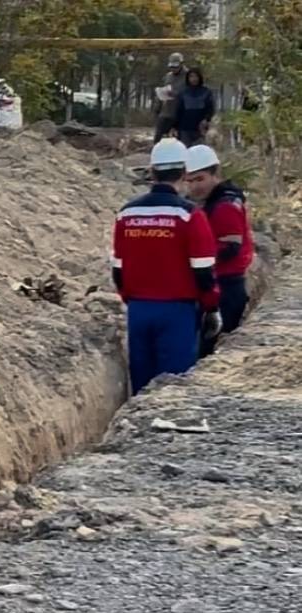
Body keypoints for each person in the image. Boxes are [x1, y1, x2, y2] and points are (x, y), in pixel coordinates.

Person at [111, 138, 220, 395]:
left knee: (142, 387)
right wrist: (211, 307)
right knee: (174, 390)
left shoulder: (126, 214)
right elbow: (203, 272)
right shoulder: (190, 216)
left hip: (138, 310)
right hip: (178, 312)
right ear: (184, 172)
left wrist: (132, 300)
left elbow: (118, 270)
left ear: (151, 172)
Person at [186, 143, 255, 355]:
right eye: (190, 180)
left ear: (215, 174)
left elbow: (229, 248)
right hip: (217, 284)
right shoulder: (212, 201)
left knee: (210, 351)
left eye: (200, 179)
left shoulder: (224, 205)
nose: (195, 186)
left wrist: (190, 258)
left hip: (226, 288)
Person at [175, 68, 216, 147]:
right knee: (186, 152)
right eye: (191, 76)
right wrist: (175, 126)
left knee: (199, 151)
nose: (194, 79)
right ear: (188, 78)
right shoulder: (183, 93)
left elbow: (210, 108)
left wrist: (206, 119)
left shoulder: (206, 92)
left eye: (196, 76)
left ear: (199, 77)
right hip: (185, 128)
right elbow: (178, 110)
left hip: (200, 128)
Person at [155, 52, 188, 141]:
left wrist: (176, 94)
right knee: (159, 137)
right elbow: (163, 89)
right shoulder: (168, 76)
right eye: (172, 67)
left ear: (182, 64)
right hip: (167, 111)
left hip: (182, 113)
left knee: (182, 139)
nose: (173, 69)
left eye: (175, 67)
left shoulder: (188, 76)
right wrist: (158, 105)